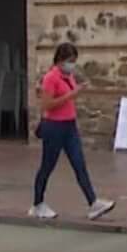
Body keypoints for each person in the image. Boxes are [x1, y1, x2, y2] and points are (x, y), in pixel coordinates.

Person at [29, 42, 115, 221]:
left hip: (69, 126)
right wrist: (71, 95)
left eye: (74, 61)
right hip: (54, 126)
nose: (72, 65)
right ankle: (37, 203)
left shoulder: (68, 76)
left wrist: (76, 91)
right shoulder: (51, 78)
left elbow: (69, 96)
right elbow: (47, 104)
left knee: (79, 164)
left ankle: (93, 203)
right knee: (47, 166)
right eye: (69, 61)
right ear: (60, 60)